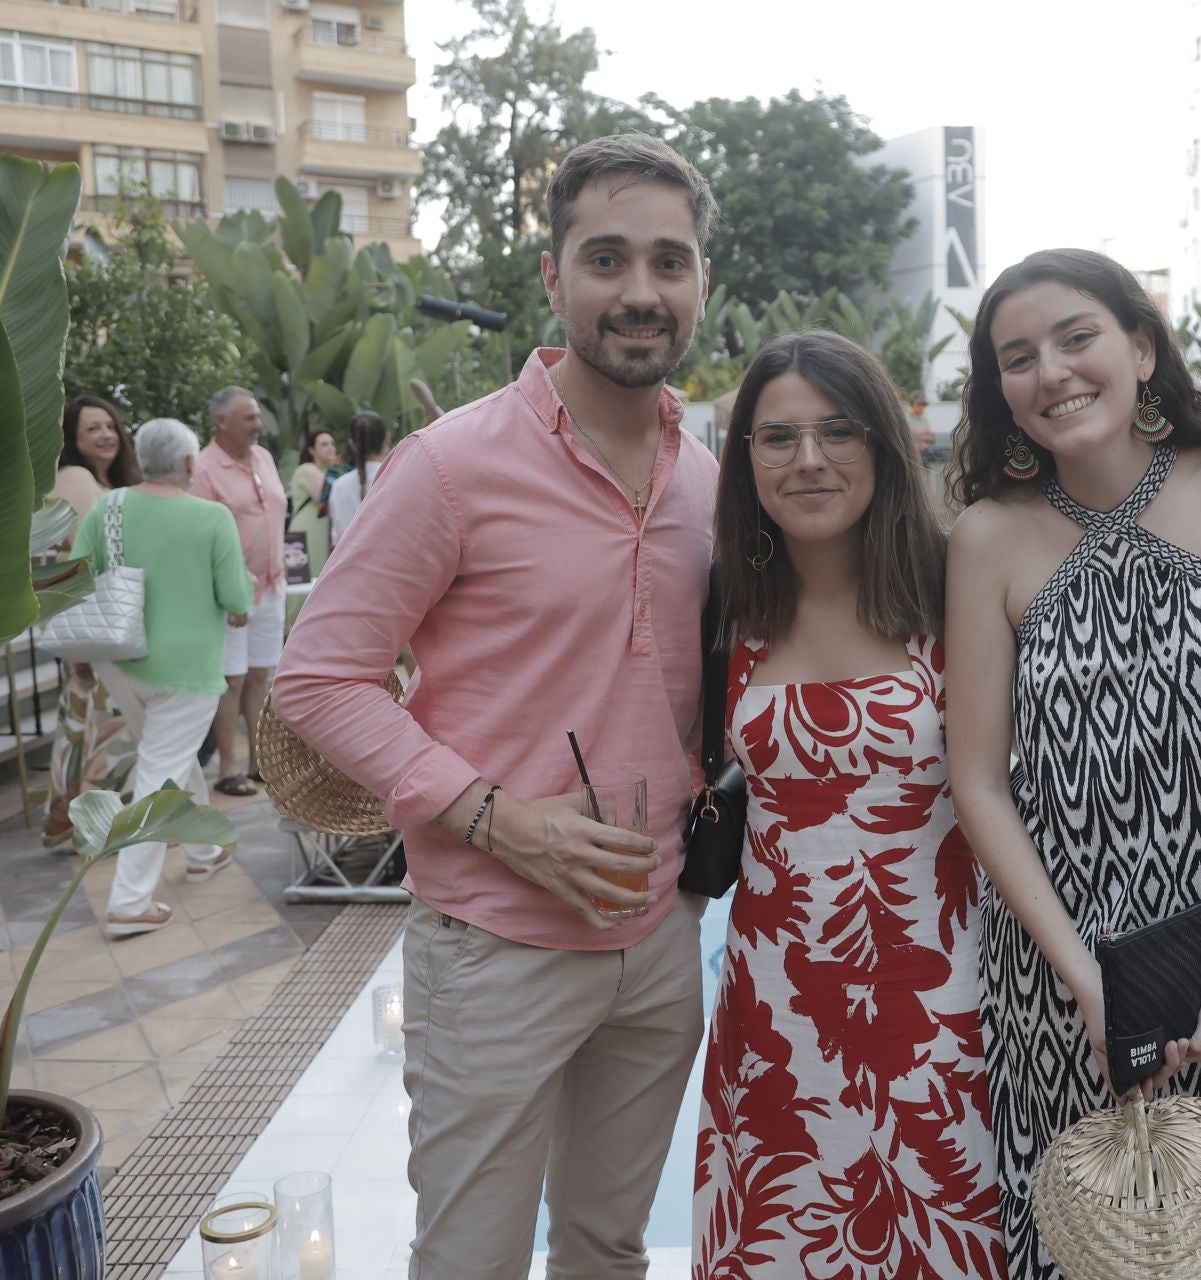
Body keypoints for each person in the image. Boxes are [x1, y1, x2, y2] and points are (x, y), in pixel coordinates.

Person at [271, 133, 720, 1279]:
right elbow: (318, 675)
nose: (639, 292)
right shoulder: (452, 464)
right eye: (606, 258)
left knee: (609, 1245)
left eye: (669, 262)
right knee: (470, 1257)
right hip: (495, 943)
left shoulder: (715, 481)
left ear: (700, 280)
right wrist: (491, 814)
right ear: (552, 275)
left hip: (663, 934)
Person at [943, 249, 1201, 1279]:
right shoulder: (987, 538)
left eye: (1078, 338)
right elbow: (976, 776)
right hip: (1062, 975)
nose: (1053, 372)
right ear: (1000, 394)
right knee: (1087, 1237)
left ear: (1142, 348)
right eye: (1017, 358)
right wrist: (1082, 975)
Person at [692, 331, 1008, 1279]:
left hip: (945, 1003)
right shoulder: (725, 606)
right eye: (777, 437)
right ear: (745, 459)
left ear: (885, 442)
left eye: (838, 431)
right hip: (774, 1006)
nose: (810, 460)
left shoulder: (959, 586)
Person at [75, 418, 252, 939]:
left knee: (167, 759)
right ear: (191, 464)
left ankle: (202, 850)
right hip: (186, 670)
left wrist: (77, 656)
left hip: (118, 659)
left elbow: (74, 578)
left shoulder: (109, 507)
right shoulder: (212, 516)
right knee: (159, 771)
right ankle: (129, 900)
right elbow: (238, 600)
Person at [44, 396, 142, 846]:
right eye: (92, 429)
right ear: (73, 439)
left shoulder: (109, 481)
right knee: (99, 723)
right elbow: (81, 561)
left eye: (109, 426)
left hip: (110, 625)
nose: (105, 435)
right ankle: (90, 825)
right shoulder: (77, 477)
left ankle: (91, 823)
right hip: (97, 625)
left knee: (98, 721)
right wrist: (77, 650)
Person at [192, 385, 287, 797]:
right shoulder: (203, 468)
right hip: (230, 595)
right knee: (232, 679)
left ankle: (259, 762)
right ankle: (228, 768)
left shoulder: (263, 458)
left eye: (257, 416)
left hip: (272, 586)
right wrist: (226, 590)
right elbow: (198, 538)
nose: (257, 425)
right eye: (249, 418)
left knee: (261, 677)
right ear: (221, 422)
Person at [326, 412, 389, 545]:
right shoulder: (398, 478)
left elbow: (336, 538)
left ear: (352, 444)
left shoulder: (339, 486)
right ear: (387, 438)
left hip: (350, 564)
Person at [288, 429, 338, 579]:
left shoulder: (329, 473)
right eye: (324, 444)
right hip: (306, 529)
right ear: (312, 450)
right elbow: (325, 497)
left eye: (332, 443)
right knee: (302, 579)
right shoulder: (307, 469)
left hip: (319, 529)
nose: (330, 447)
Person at [906, 388, 935, 455]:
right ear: (912, 404)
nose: (922, 407)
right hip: (911, 454)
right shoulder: (905, 420)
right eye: (919, 404)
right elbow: (907, 439)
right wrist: (925, 436)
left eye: (924, 404)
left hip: (925, 454)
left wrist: (919, 436)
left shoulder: (925, 420)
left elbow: (933, 439)